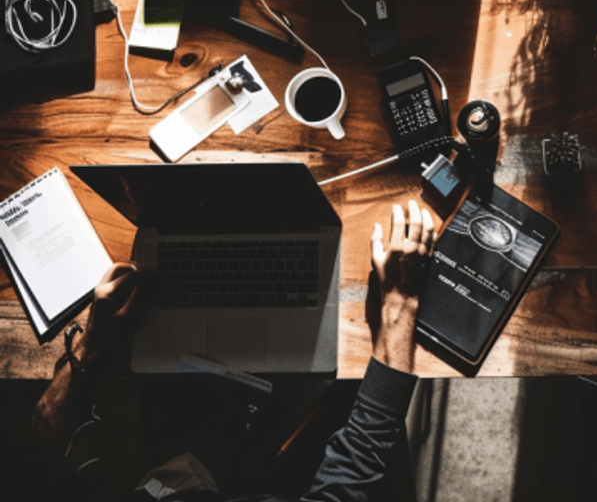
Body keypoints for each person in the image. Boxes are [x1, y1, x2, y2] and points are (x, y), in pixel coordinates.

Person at [22, 199, 437, 502]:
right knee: (345, 392)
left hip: (172, 474)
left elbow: (37, 458)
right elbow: (356, 467)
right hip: (254, 482)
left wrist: (94, 342)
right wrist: (400, 302)